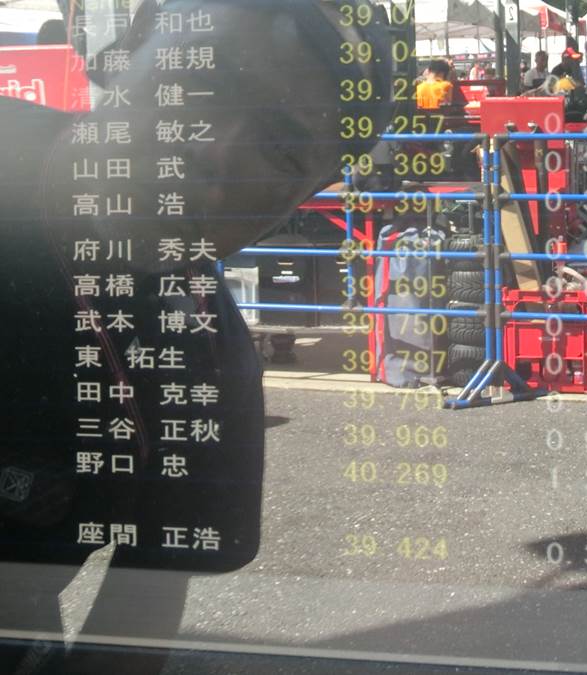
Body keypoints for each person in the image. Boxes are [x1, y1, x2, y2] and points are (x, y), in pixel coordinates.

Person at [0, 1, 392, 673]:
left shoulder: (207, 371)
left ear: (298, 203)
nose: (214, 151)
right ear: (133, 43)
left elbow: (136, 616)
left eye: (279, 149)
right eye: (203, 80)